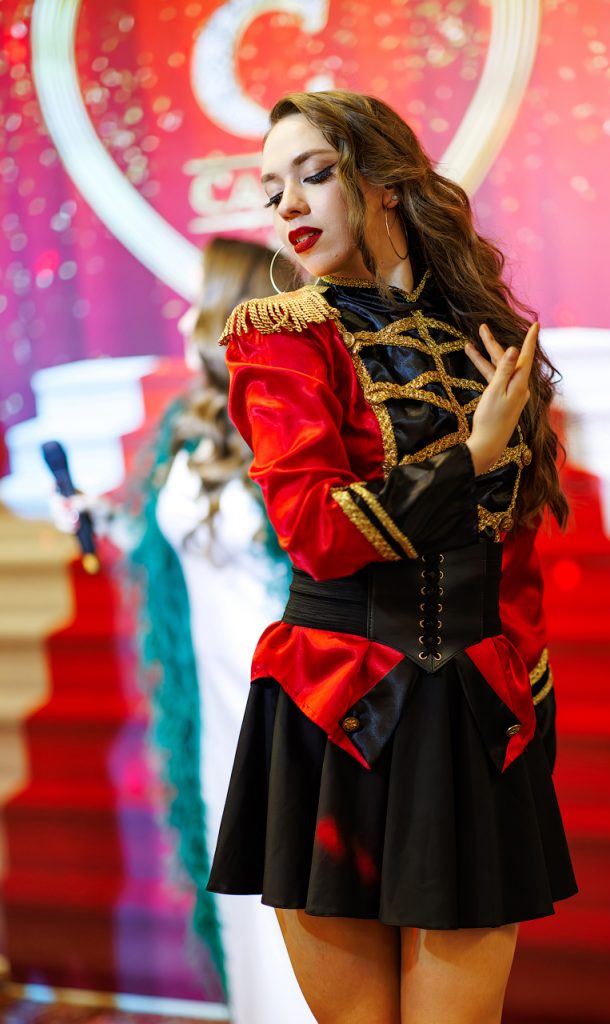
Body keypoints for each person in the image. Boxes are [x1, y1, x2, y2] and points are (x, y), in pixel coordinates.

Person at [207, 92, 578, 1024]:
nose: (290, 205)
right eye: (272, 189)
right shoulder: (280, 335)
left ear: (383, 184)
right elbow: (314, 529)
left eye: (315, 174)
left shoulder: (484, 334)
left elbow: (517, 554)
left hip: (473, 713)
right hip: (336, 712)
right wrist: (468, 458)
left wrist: (530, 702)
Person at [51, 238, 316, 1024]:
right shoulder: (190, 421)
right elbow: (170, 546)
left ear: (237, 310)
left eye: (199, 298)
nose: (181, 315)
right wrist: (99, 518)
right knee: (241, 889)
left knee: (303, 888)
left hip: (292, 704)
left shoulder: (301, 422)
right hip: (217, 707)